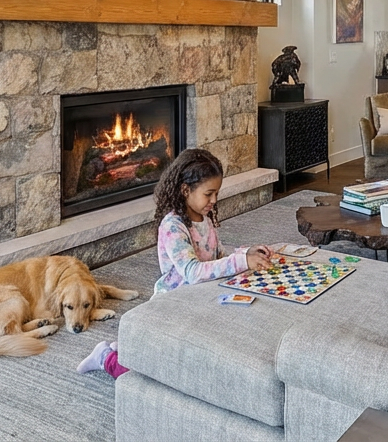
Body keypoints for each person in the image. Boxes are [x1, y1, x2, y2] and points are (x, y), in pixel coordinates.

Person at [77, 149, 273, 377]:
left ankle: (127, 345)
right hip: (173, 304)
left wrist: (247, 254)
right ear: (185, 190)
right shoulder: (172, 226)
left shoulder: (204, 218)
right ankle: (105, 357)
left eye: (216, 193)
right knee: (156, 369)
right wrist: (241, 261)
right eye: (209, 194)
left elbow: (218, 257)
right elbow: (192, 272)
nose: (214, 200)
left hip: (201, 298)